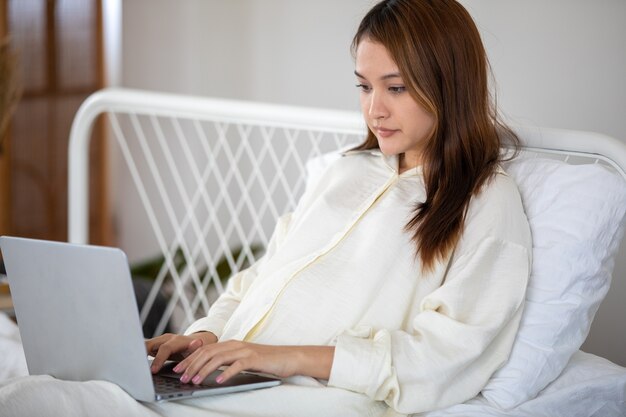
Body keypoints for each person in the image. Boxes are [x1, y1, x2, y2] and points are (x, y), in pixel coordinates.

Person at [0, 0, 531, 416]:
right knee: (37, 393)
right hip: (225, 379)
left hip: (304, 397)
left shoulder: (485, 202)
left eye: (395, 88)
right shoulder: (344, 171)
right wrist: (206, 336)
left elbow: (447, 359)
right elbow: (259, 278)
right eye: (364, 86)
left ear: (448, 82)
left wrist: (283, 357)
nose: (374, 109)